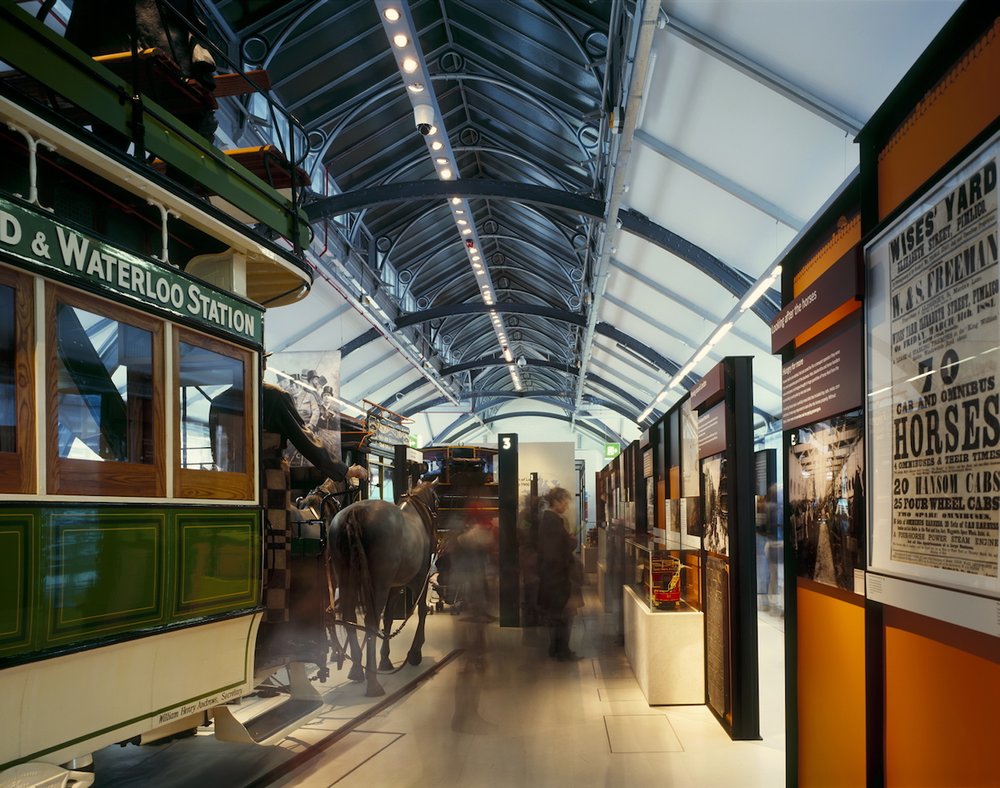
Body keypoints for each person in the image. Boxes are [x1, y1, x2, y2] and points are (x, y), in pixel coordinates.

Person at [537, 487, 583, 661]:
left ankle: (556, 649)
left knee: (558, 615)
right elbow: (556, 551)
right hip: (556, 577)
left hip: (551, 576)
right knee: (563, 615)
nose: (566, 505)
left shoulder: (549, 520)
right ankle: (562, 651)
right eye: (564, 501)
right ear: (555, 501)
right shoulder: (553, 521)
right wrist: (571, 541)